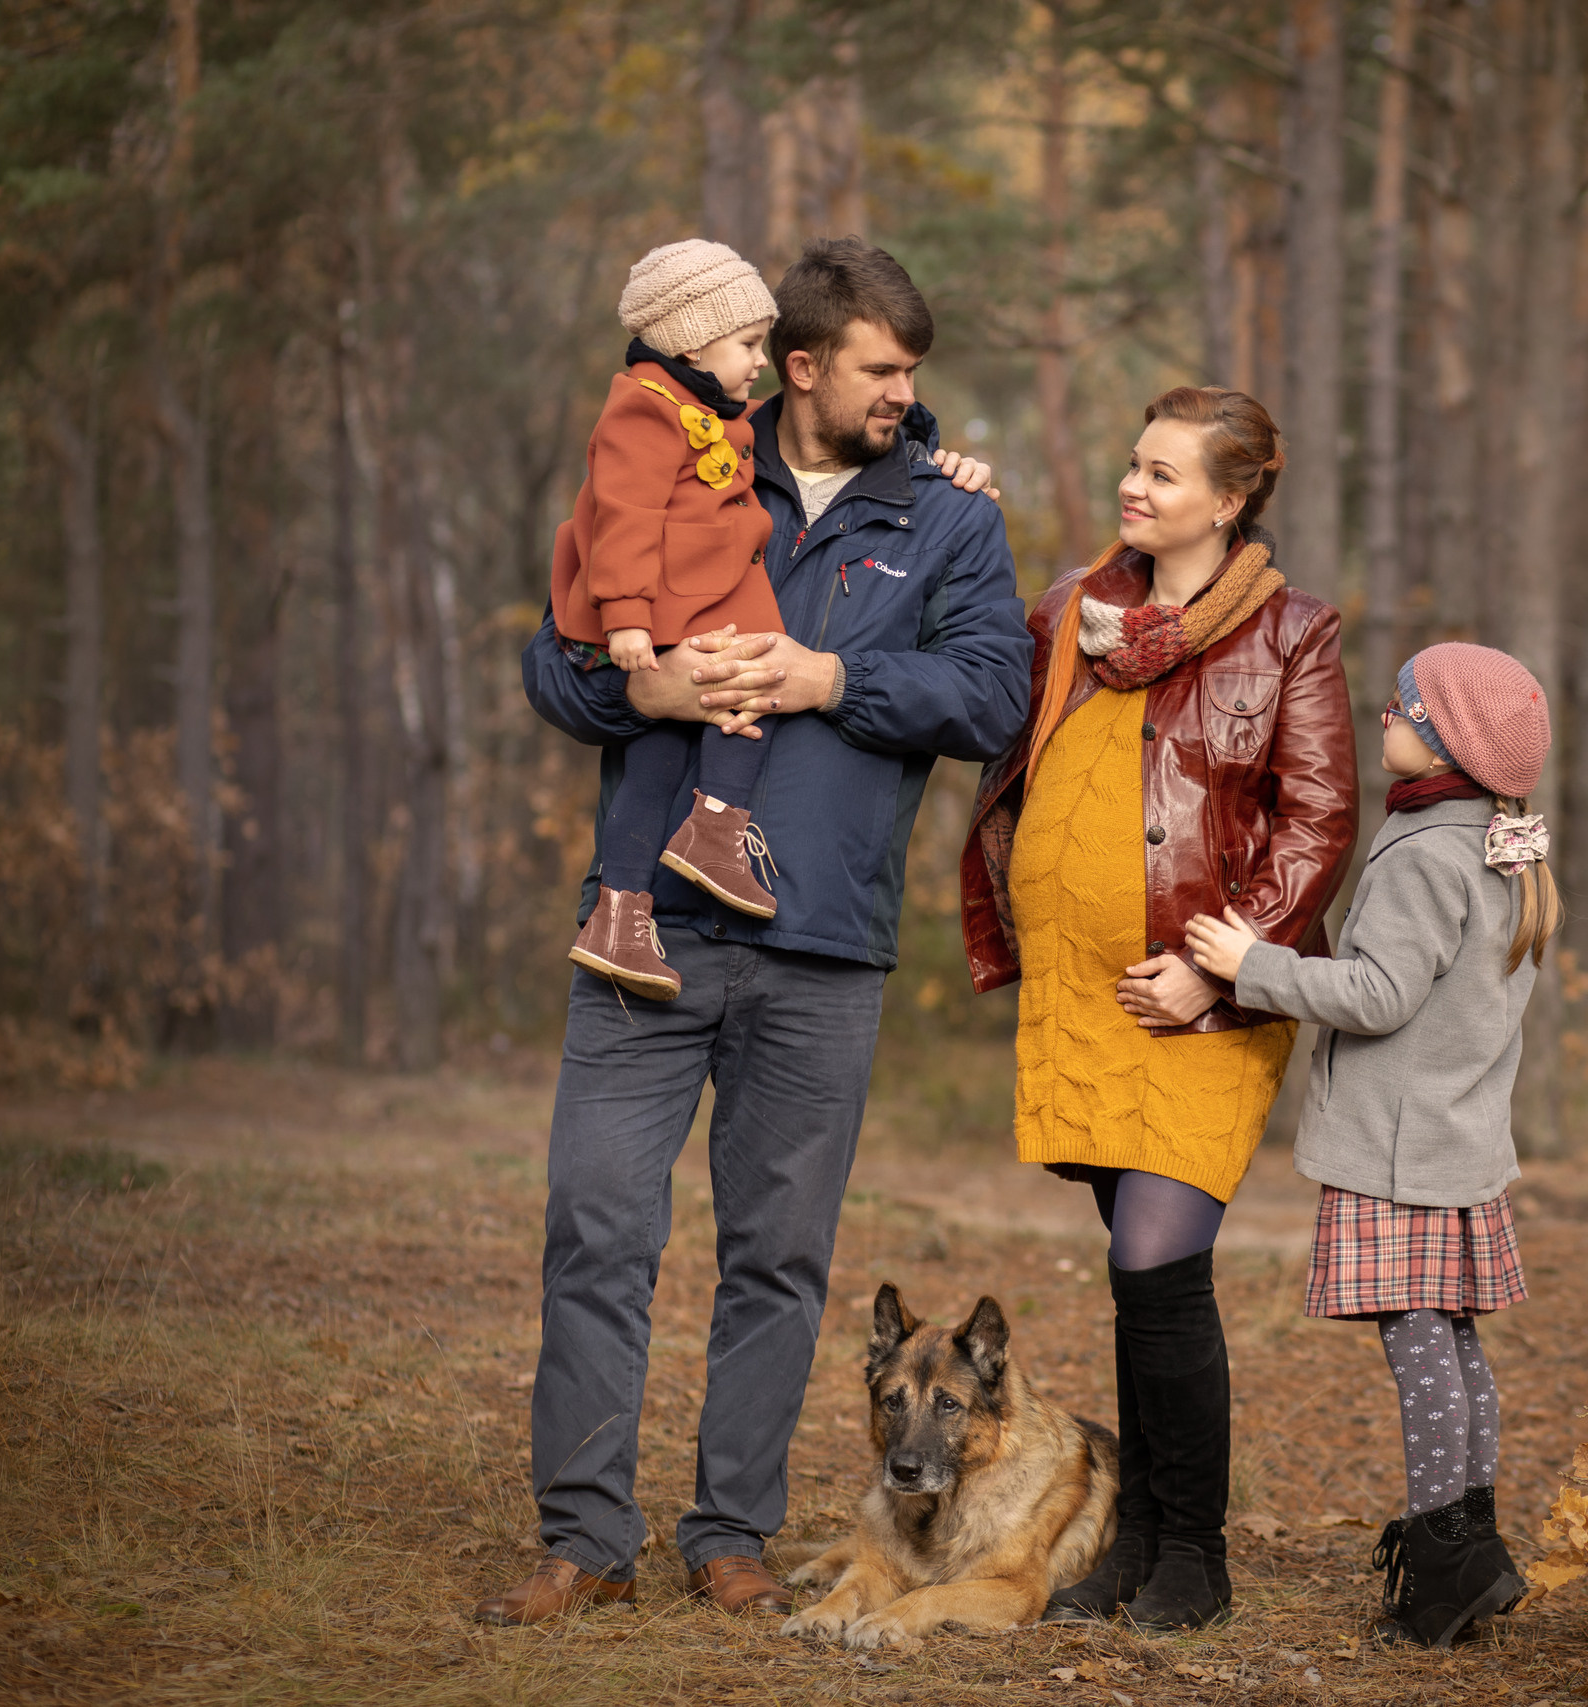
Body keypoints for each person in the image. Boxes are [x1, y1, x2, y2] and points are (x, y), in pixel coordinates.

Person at [481, 238, 1031, 1627]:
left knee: (779, 1256)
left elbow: (990, 697)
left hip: (825, 945)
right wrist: (646, 696)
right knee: (597, 1223)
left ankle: (731, 1528)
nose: (906, 393)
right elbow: (558, 651)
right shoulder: (684, 454)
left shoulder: (947, 518)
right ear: (799, 364)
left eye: (916, 372)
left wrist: (831, 672)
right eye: (881, 369)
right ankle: (584, 1535)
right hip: (645, 928)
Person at [959, 386, 1358, 1630]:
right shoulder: (1063, 618)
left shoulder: (1292, 632)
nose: (1135, 489)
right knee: (1137, 1275)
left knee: (1157, 1261)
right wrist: (943, 491)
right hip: (1081, 994)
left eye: (1166, 476)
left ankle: (1193, 1552)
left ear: (1230, 501)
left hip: (1200, 997)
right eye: (1133, 465)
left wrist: (1224, 964)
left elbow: (1320, 817)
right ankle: (1131, 1544)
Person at [1183, 641, 1559, 1652]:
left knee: (1419, 1346)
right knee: (1454, 1342)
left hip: (1398, 1150)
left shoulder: (1428, 856)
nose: (1379, 716)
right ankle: (1472, 1542)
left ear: (1442, 739)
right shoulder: (1502, 842)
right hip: (1456, 1136)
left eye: (1399, 707)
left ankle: (1443, 1566)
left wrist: (1247, 966)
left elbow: (1378, 997)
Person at [552, 240, 787, 996]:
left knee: (652, 762)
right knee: (752, 685)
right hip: (668, 608)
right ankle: (717, 829)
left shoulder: (705, 406)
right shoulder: (645, 410)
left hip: (682, 605)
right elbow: (622, 514)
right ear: (692, 340)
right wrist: (624, 616)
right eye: (749, 344)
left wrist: (915, 428)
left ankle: (618, 916)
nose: (761, 362)